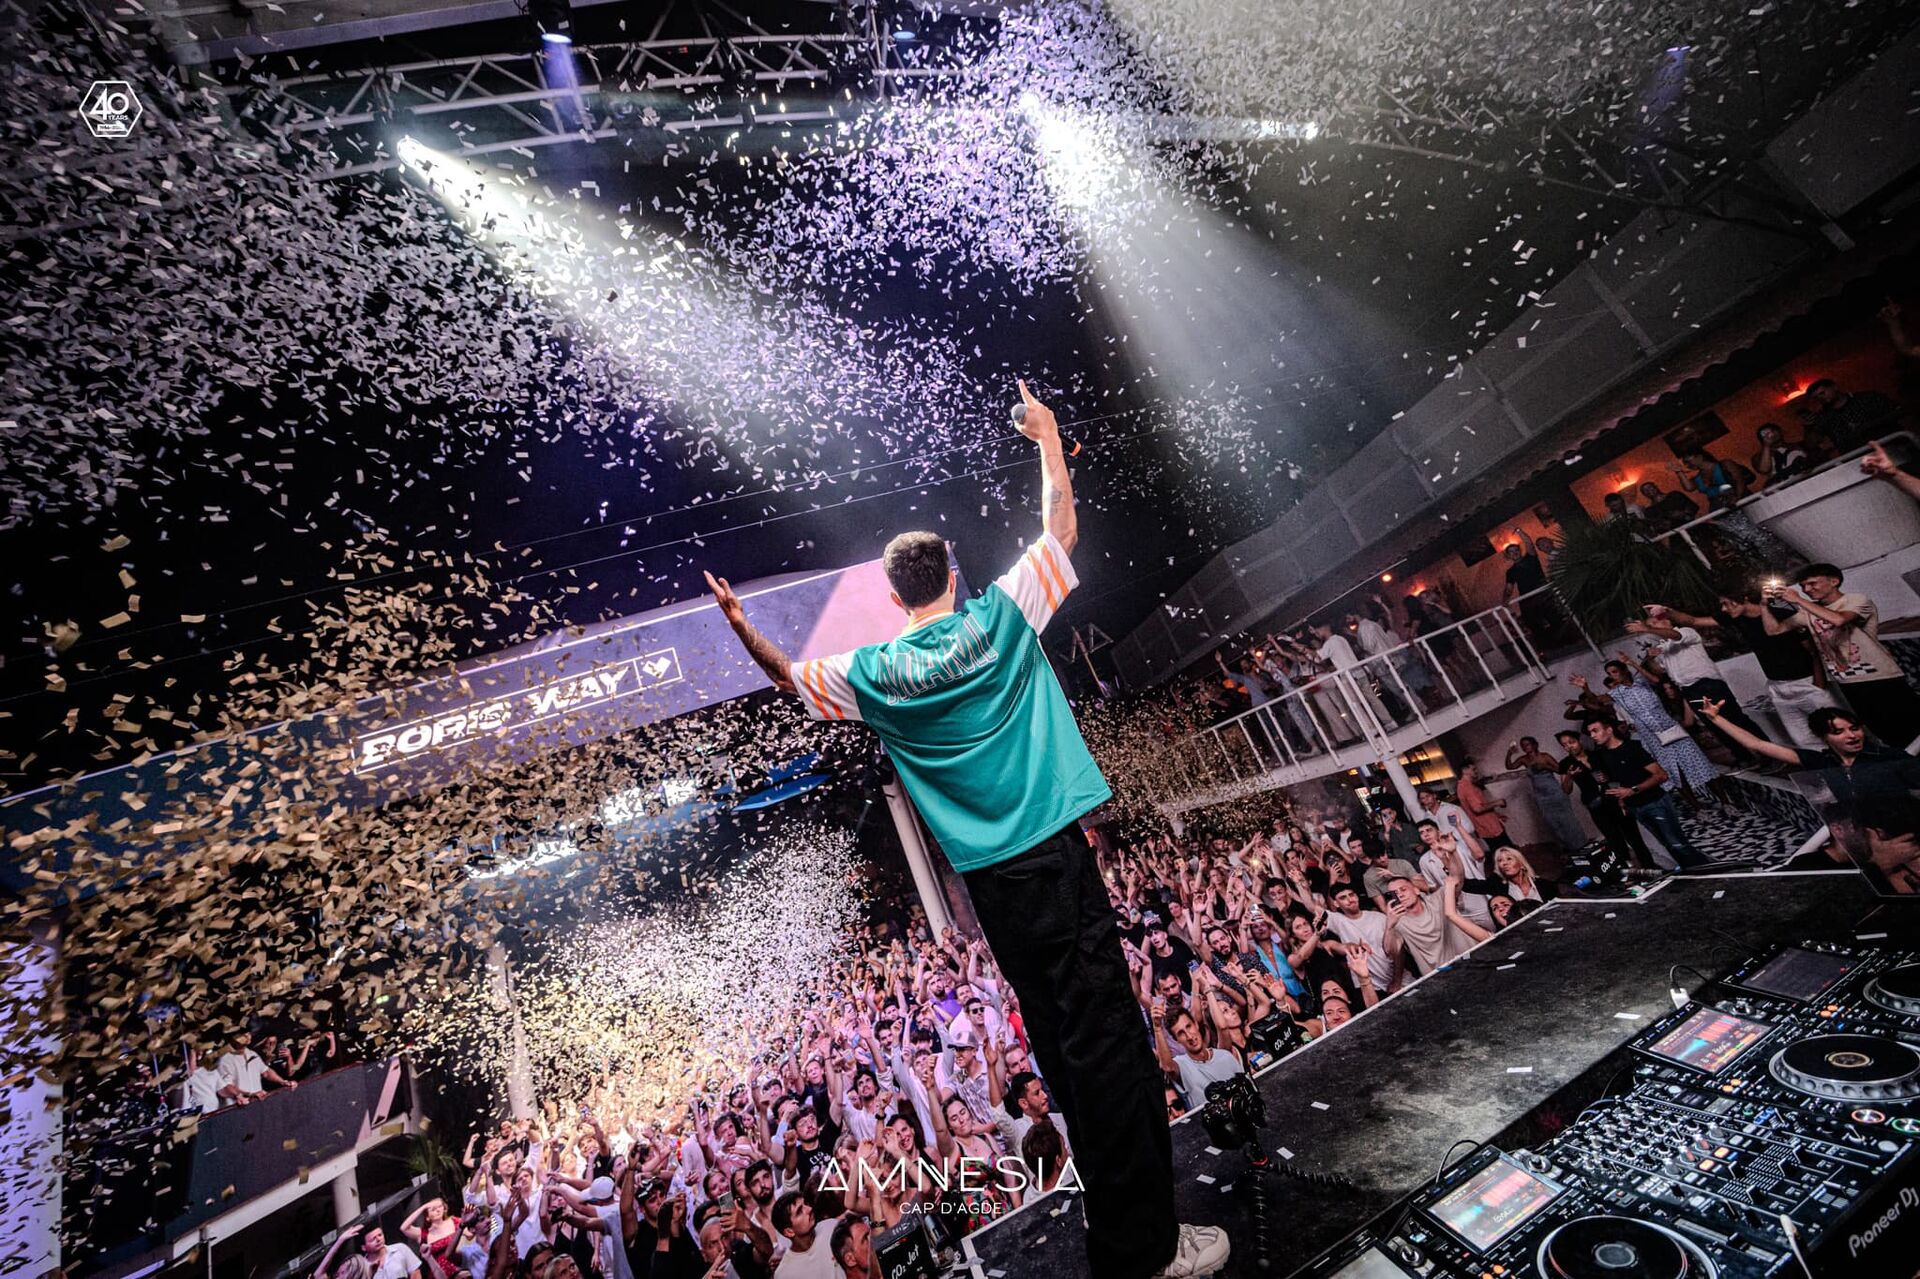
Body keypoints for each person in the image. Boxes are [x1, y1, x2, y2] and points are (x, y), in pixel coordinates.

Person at [704, 381, 1224, 1279]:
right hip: (1053, 856)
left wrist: (743, 626)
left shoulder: (872, 671)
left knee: (1061, 1047)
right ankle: (1146, 1247)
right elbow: (1061, 528)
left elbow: (788, 676)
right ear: (951, 575)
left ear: (893, 596)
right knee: (1108, 1044)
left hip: (991, 885)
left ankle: (1115, 1212)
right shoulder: (1002, 613)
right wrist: (1048, 435)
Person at [1772, 563, 1920, 749]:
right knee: (1883, 730)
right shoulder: (1808, 611)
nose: (1807, 590)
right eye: (1803, 586)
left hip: (1878, 675)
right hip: (1848, 680)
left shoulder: (1855, 600)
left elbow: (1839, 619)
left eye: (1812, 583)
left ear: (1834, 581)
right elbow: (1774, 630)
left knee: (1911, 723)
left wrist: (1799, 600)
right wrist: (1763, 605)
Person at [1624, 613, 1774, 763]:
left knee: (1735, 719)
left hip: (1707, 685)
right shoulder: (1663, 646)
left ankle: (1770, 755)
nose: (1652, 627)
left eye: (1654, 623)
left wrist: (1647, 629)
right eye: (1650, 625)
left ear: (1668, 621)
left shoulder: (1686, 632)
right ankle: (1745, 759)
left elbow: (1676, 636)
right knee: (1715, 726)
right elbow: (1659, 670)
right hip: (1688, 690)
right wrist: (1650, 658)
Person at [1582, 715, 1710, 869]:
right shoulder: (1603, 755)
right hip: (1635, 807)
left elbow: (1661, 775)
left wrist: (1633, 790)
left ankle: (1708, 869)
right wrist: (1621, 800)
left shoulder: (1632, 748)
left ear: (1609, 730)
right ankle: (1693, 872)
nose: (1592, 736)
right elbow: (1616, 781)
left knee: (1677, 843)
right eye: (1590, 733)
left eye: (1595, 731)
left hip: (1655, 802)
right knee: (1667, 844)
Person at [1573, 663, 1718, 798]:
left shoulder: (1642, 683)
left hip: (1670, 728)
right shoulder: (1618, 692)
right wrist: (1585, 687)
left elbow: (1656, 680)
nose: (1613, 676)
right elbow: (1596, 701)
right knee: (1671, 772)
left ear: (1624, 670)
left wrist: (1632, 663)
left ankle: (1725, 802)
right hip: (1652, 737)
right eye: (1609, 674)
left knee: (1698, 762)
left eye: (1615, 671)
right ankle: (1697, 808)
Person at [1556, 729, 1651, 870]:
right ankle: (1628, 871)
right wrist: (1570, 776)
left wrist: (1611, 784)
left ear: (1579, 741)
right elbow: (1566, 790)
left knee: (1634, 837)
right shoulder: (1565, 763)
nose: (1569, 746)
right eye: (1564, 745)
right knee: (1615, 841)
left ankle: (1650, 867)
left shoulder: (1598, 754)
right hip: (1595, 805)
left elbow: (1615, 775)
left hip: (1615, 798)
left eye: (1572, 742)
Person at [1150, 1006, 1245, 1116]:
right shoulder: (1181, 1065)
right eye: (1181, 1033)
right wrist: (1157, 1028)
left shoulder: (1225, 1056)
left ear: (1196, 1024)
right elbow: (1167, 1067)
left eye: (1189, 1026)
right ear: (1176, 1040)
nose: (1189, 1036)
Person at [1505, 736, 1590, 851]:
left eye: (1527, 744)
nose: (1525, 747)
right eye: (1523, 746)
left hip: (1554, 792)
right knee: (1553, 822)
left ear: (1534, 744)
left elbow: (1560, 770)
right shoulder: (1523, 759)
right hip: (1541, 796)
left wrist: (1545, 766)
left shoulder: (1544, 756)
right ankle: (1568, 848)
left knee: (1568, 820)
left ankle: (1581, 845)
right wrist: (1509, 753)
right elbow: (1510, 766)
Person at [1800, 377, 1896, 456]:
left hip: (1888, 448)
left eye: (1822, 393)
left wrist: (1867, 427)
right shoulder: (1824, 417)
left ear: (1834, 387)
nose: (1821, 398)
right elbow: (1811, 444)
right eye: (1816, 397)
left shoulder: (1866, 399)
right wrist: (1808, 427)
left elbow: (1895, 412)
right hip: (1855, 458)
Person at [1453, 760, 1513, 851]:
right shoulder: (1467, 787)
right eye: (1473, 769)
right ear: (1465, 771)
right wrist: (1497, 803)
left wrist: (1497, 815)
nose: (1476, 771)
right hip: (1489, 826)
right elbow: (1478, 808)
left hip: (1485, 826)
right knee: (1508, 851)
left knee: (1500, 851)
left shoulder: (1463, 786)